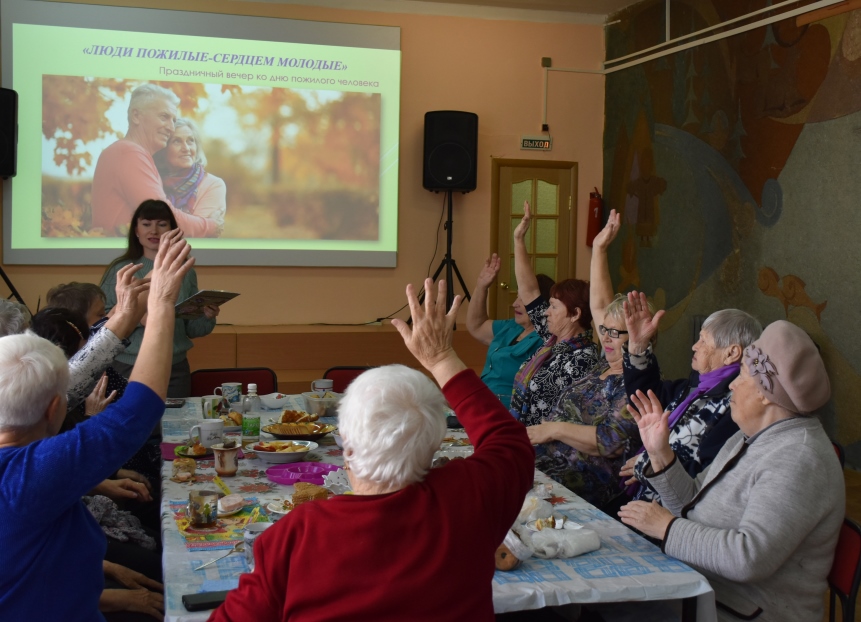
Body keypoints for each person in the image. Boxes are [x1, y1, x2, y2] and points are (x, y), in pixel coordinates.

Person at [209, 279, 535, 621]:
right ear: (434, 449)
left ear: (346, 447)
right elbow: (508, 440)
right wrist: (441, 358)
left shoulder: (296, 535)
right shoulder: (471, 496)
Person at [0, 230, 193, 620]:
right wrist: (161, 307)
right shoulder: (30, 474)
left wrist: (124, 316)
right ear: (56, 407)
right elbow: (136, 411)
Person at [619, 321, 843, 622]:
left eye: (743, 376)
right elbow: (691, 502)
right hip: (700, 590)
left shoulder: (799, 458)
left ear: (766, 393)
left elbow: (748, 557)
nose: (733, 384)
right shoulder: (749, 436)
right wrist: (660, 453)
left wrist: (667, 528)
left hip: (740, 610)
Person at [525, 210, 643, 512]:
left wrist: (552, 429)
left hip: (579, 486)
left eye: (617, 334)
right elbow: (601, 306)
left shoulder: (637, 379)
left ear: (642, 336)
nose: (606, 338)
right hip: (545, 465)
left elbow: (610, 440)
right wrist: (600, 249)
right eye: (604, 331)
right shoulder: (606, 363)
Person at [619, 292, 762, 501]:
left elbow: (706, 472)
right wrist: (639, 346)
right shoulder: (698, 385)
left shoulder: (734, 405)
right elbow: (648, 399)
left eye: (703, 341)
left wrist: (650, 463)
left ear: (732, 353)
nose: (694, 346)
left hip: (672, 513)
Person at [100, 199, 219, 397]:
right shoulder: (122, 269)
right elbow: (102, 322)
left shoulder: (185, 271)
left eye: (161, 224)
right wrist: (140, 317)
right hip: (128, 366)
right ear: (136, 231)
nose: (154, 231)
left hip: (175, 368)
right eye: (146, 224)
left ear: (172, 230)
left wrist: (206, 315)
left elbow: (191, 329)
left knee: (173, 427)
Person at [509, 201, 600, 425]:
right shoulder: (553, 341)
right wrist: (518, 239)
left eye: (554, 307)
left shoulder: (584, 358)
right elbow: (528, 289)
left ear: (575, 314)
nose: (546, 312)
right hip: (524, 437)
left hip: (549, 450)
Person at [91, 83, 219, 237]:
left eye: (173, 120)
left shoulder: (128, 153)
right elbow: (162, 217)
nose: (171, 128)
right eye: (164, 117)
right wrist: (211, 225)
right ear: (136, 116)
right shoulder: (129, 154)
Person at [466, 252, 554, 407]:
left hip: (509, 411)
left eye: (522, 299)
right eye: (516, 297)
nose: (514, 304)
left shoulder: (546, 337)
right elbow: (476, 326)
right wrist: (481, 286)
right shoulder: (512, 326)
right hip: (482, 401)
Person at [154, 118, 226, 237]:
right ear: (163, 149)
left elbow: (198, 237)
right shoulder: (152, 181)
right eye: (176, 141)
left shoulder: (214, 185)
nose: (186, 148)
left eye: (190, 141)